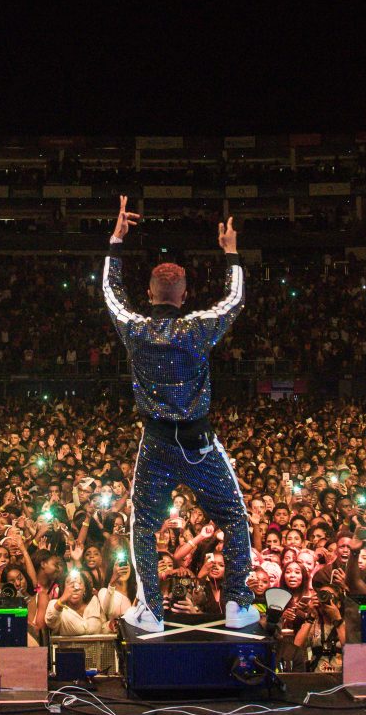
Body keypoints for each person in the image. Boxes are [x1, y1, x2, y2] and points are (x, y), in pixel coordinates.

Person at [103, 196, 253, 633]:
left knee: (144, 525)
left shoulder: (134, 328)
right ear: (185, 296)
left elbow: (110, 293)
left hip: (156, 443)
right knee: (233, 519)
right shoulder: (198, 327)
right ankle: (239, 604)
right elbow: (235, 299)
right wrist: (230, 253)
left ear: (149, 294)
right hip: (198, 443)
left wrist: (116, 241)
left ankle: (150, 610)